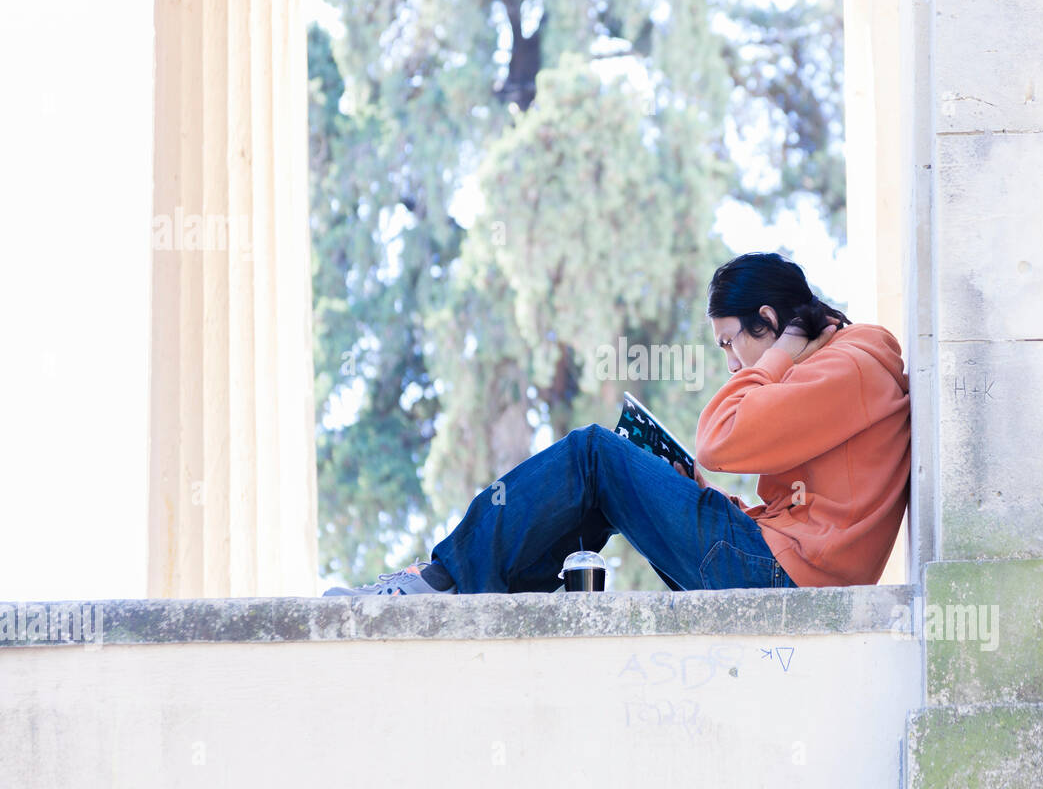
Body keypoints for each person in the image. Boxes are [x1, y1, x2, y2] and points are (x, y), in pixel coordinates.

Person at [323, 252, 910, 596]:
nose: (732, 363)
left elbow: (721, 437)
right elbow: (806, 512)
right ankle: (484, 592)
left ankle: (441, 581)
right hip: (779, 564)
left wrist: (779, 354)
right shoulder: (843, 372)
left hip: (783, 580)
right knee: (608, 483)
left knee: (593, 454)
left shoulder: (849, 365)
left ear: (770, 319)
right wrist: (702, 494)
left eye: (731, 344)